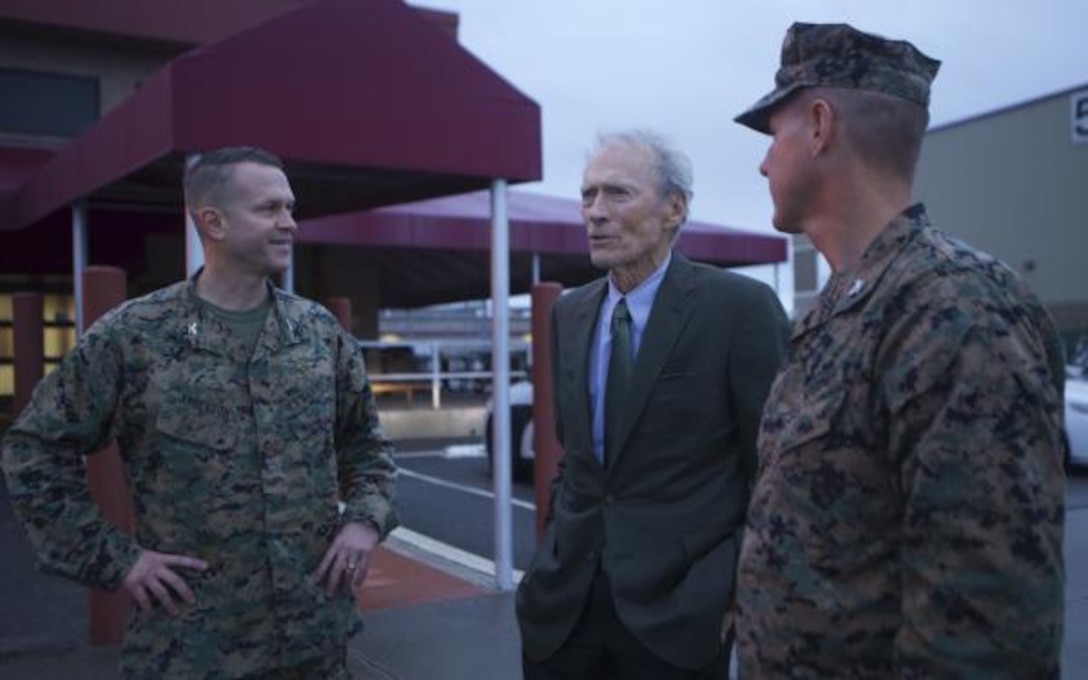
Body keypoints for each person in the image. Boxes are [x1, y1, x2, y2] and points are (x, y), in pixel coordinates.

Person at [733, 22, 1067, 677]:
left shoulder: (954, 307)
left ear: (821, 125)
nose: (764, 162)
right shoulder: (843, 306)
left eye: (773, 136)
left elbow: (986, 632)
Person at [1, 146, 398, 678]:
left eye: (290, 207)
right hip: (192, 648)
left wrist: (365, 521)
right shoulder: (134, 336)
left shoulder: (318, 333)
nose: (290, 224)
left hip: (314, 639)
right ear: (213, 221)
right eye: (270, 209)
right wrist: (117, 559)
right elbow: (33, 449)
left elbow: (366, 446)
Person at [516, 130, 790, 679]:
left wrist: (731, 587)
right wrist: (550, 554)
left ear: (674, 208)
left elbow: (778, 470)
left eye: (617, 194)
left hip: (679, 618)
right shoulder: (568, 314)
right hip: (562, 609)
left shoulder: (740, 309)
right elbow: (576, 460)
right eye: (588, 195)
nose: (595, 212)